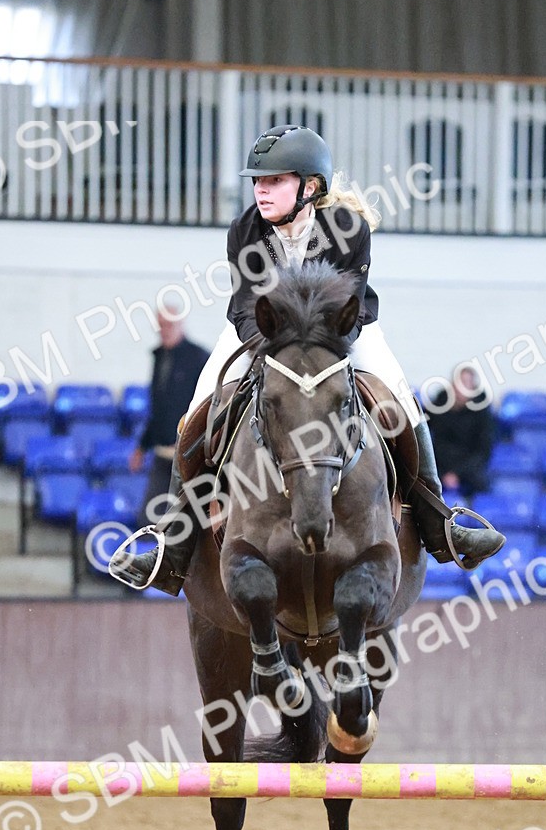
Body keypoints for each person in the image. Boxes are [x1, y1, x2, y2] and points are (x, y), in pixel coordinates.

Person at [115, 125, 505, 595]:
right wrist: (273, 345)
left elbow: (350, 305)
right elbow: (243, 306)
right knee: (199, 405)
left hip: (340, 332)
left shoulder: (348, 228)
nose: (261, 190)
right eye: (258, 181)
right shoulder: (245, 230)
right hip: (261, 334)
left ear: (310, 186)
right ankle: (172, 547)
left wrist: (316, 345)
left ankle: (440, 522)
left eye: (275, 180)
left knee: (401, 398)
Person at [129, 306, 209, 525]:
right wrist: (141, 446)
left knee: (180, 522)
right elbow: (157, 408)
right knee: (148, 519)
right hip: (161, 453)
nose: (163, 330)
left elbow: (207, 406)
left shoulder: (199, 358)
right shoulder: (159, 357)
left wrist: (190, 440)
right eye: (160, 325)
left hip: (187, 455)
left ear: (180, 324)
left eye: (168, 324)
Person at [427, 365, 496, 497]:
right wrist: (443, 473)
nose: (460, 388)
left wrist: (457, 474)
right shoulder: (440, 403)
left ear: (472, 387)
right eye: (458, 383)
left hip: (469, 467)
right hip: (440, 465)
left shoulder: (481, 411)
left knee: (481, 483)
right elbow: (424, 431)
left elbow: (483, 451)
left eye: (465, 383)